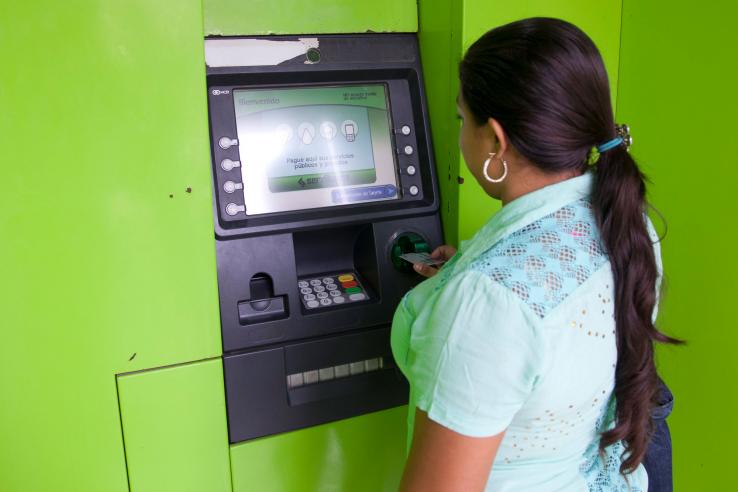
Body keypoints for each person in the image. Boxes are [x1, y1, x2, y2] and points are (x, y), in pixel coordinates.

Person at [390, 17, 680, 492]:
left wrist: (470, 297)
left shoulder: (487, 302)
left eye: (463, 118)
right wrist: (466, 271)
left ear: (496, 141)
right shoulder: (627, 222)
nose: (461, 131)